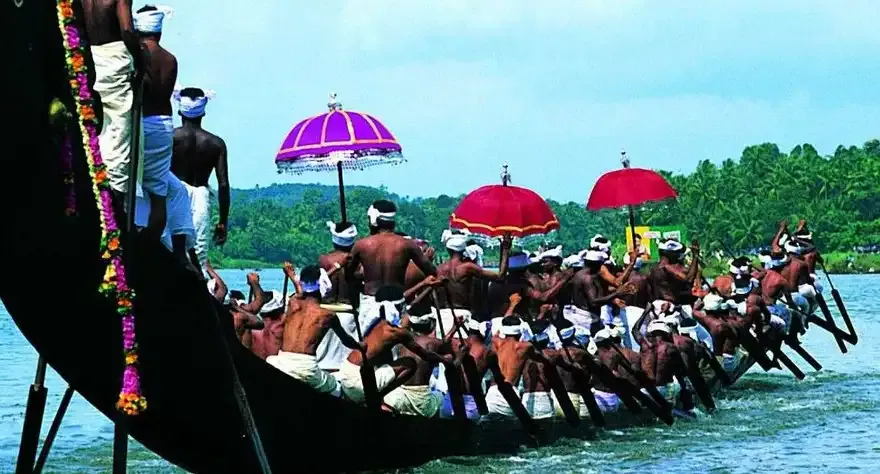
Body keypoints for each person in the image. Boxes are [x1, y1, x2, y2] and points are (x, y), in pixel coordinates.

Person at [131, 5, 197, 273]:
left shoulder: (137, 56)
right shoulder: (171, 59)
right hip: (163, 124)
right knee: (159, 191)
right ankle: (163, 249)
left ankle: (138, 245)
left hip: (141, 123)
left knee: (130, 184)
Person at [335, 285, 452, 406]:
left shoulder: (374, 320)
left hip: (346, 373)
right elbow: (425, 355)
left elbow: (408, 308)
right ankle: (379, 398)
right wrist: (444, 359)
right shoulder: (396, 333)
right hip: (358, 384)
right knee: (410, 364)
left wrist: (428, 287)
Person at [265, 266, 365, 397]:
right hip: (306, 368)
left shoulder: (293, 303)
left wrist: (292, 276)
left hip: (281, 362)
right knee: (339, 389)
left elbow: (301, 292)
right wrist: (360, 346)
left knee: (270, 360)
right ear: (325, 286)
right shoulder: (328, 315)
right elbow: (346, 340)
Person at [82, 0, 143, 213]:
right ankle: (113, 216)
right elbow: (126, 29)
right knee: (118, 141)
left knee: (92, 133)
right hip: (115, 62)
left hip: (90, 62)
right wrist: (140, 60)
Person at [347, 200, 436, 328]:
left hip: (370, 303)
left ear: (374, 220)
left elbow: (349, 276)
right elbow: (432, 272)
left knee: (366, 345)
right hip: (397, 302)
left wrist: (363, 275)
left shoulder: (362, 245)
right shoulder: (407, 245)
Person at [171, 86, 229, 271]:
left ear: (180, 111)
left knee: (170, 246)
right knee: (198, 251)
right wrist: (223, 222)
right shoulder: (216, 143)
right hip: (201, 198)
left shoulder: (171, 137)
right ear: (202, 113)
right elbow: (223, 184)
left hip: (173, 194)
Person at [433, 230, 509, 337]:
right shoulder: (468, 267)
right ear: (463, 249)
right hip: (462, 317)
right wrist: (505, 249)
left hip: (442, 316)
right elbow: (500, 276)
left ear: (448, 249)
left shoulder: (439, 269)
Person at [484, 315, 558, 419]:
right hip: (510, 393)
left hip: (492, 393)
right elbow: (540, 357)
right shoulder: (525, 347)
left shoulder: (495, 341)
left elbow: (498, 332)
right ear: (519, 331)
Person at [383, 312, 450, 417]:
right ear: (430, 327)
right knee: (441, 398)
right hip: (421, 400)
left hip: (399, 396)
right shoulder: (434, 343)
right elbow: (447, 345)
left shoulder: (402, 339)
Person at [565, 249, 636, 335]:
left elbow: (590, 294)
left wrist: (613, 298)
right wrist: (617, 293)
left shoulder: (579, 274)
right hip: (587, 319)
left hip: (579, 315)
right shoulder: (588, 278)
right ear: (596, 265)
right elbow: (594, 301)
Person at [441, 319, 492, 420]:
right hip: (471, 402)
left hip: (451, 397)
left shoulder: (456, 343)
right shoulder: (487, 352)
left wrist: (455, 327)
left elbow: (445, 341)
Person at [550, 319, 594, 419]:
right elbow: (596, 363)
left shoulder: (554, 353)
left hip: (556, 397)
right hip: (572, 397)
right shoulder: (580, 353)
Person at [637, 320, 683, 404]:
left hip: (647, 390)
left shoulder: (644, 346)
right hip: (664, 389)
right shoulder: (671, 348)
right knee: (678, 381)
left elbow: (634, 330)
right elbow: (680, 369)